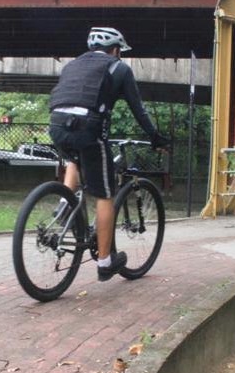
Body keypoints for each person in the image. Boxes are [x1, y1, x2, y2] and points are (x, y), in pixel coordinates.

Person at [48, 26, 170, 281]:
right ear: (115, 50)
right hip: (89, 130)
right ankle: (105, 262)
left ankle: (64, 206)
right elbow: (139, 109)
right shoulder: (119, 68)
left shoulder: (73, 66)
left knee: (74, 159)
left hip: (57, 125)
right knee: (105, 195)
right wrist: (155, 137)